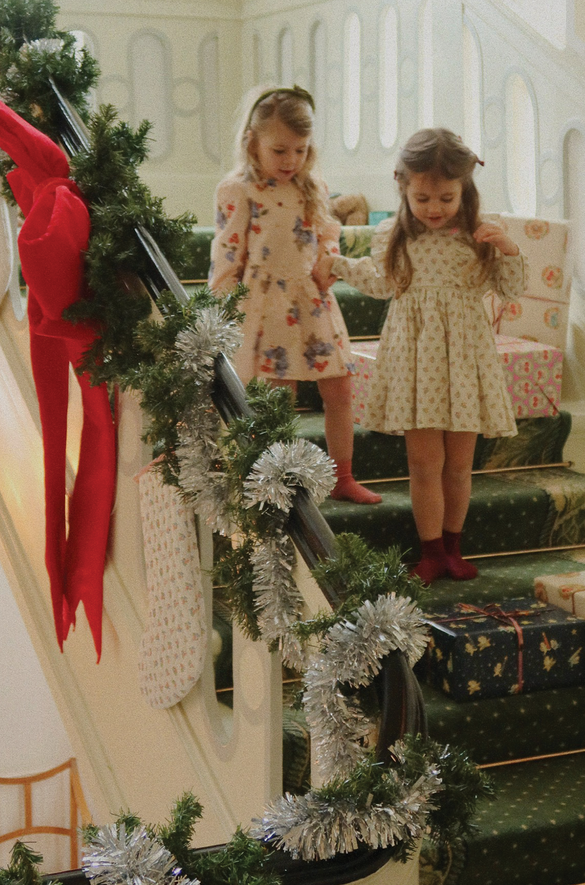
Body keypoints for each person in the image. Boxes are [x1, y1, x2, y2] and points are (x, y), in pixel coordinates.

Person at [314, 128, 528, 582]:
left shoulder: (481, 234)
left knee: (459, 463)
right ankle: (430, 550)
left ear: (464, 190)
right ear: (403, 188)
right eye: (423, 198)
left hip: (467, 361)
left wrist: (508, 248)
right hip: (417, 363)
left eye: (446, 198)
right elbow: (380, 283)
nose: (434, 209)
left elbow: (510, 289)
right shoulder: (393, 235)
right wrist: (337, 265)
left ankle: (453, 545)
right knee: (424, 462)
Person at [209, 85, 381, 505]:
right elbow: (227, 253)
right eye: (280, 151)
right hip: (266, 302)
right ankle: (275, 477)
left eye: (300, 151)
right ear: (253, 142)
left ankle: (344, 476)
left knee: (339, 387)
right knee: (278, 394)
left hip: (311, 298)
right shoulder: (240, 190)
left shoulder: (311, 186)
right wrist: (223, 308)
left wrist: (329, 259)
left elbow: (326, 234)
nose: (291, 161)